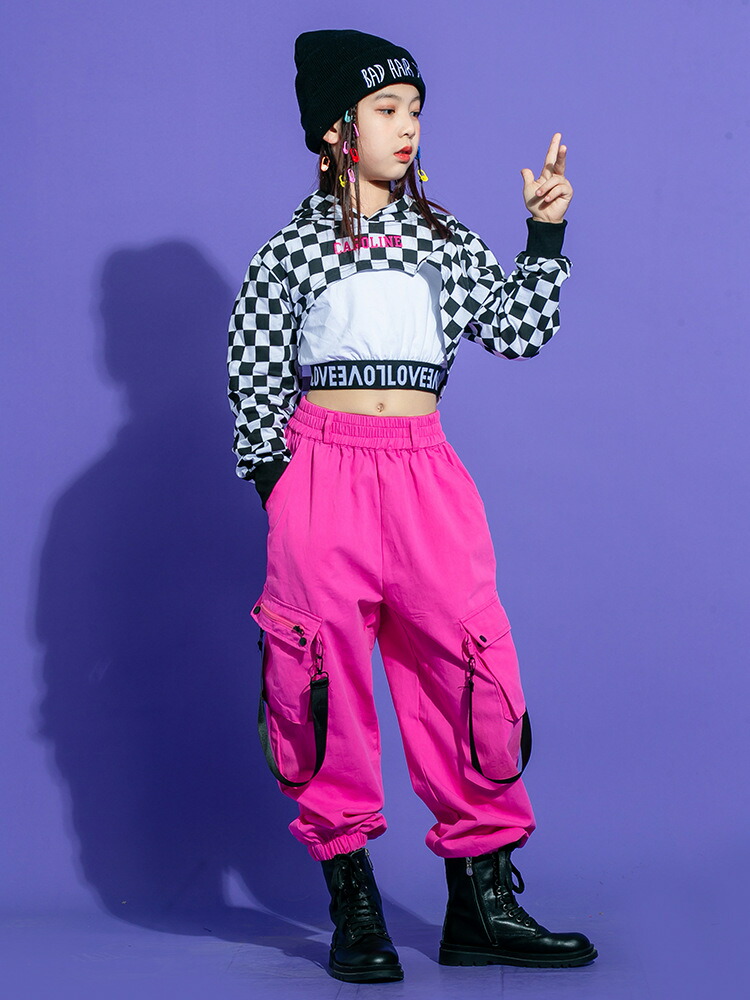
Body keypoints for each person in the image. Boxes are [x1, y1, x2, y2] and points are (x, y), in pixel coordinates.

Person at [227, 28, 597, 984]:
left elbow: (518, 331)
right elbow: (253, 378)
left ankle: (483, 906)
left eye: (415, 110)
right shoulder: (290, 253)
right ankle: (354, 907)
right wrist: (284, 490)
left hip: (426, 476)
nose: (408, 127)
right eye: (386, 109)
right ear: (335, 130)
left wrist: (544, 235)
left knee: (468, 670)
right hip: (321, 476)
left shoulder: (442, 242)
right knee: (320, 683)